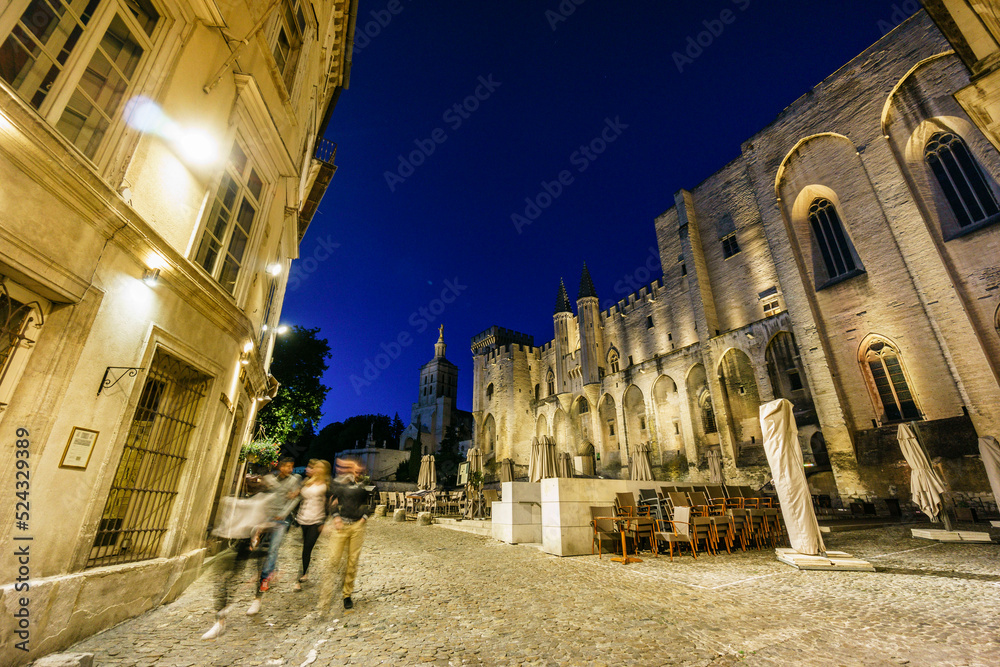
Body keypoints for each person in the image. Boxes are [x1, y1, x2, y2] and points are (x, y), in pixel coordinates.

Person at [247, 456, 301, 615]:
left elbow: (295, 499)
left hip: (281, 521)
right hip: (266, 518)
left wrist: (284, 513)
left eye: (291, 466)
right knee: (259, 550)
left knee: (273, 549)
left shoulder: (293, 480)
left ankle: (264, 580)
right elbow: (264, 495)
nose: (289, 469)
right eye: (287, 466)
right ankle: (272, 569)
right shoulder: (271, 479)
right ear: (280, 466)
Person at [317, 458, 371, 612]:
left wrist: (364, 518)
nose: (358, 473)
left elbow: (371, 503)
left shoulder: (365, 485)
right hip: (341, 526)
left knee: (352, 561)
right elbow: (332, 501)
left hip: (357, 526)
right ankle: (325, 597)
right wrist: (336, 517)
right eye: (356, 470)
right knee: (333, 560)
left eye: (360, 471)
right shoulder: (341, 483)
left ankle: (347, 594)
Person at [291, 459, 332, 591]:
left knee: (307, 548)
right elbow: (299, 498)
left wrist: (324, 522)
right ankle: (304, 571)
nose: (317, 470)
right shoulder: (307, 481)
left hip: (316, 520)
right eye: (316, 467)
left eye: (320, 468)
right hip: (303, 518)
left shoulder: (327, 485)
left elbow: (329, 505)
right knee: (304, 547)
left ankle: (300, 576)